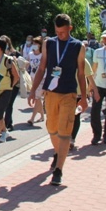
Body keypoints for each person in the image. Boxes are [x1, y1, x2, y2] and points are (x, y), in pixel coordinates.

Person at [29, 14, 87, 186]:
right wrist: (33, 91)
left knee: (64, 132)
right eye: (57, 32)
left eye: (63, 32)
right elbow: (41, 68)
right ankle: (58, 152)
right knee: (52, 129)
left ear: (70, 28)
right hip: (50, 93)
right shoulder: (49, 43)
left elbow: (82, 74)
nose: (60, 35)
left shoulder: (78, 46)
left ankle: (59, 170)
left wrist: (83, 97)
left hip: (69, 94)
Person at [26, 36, 45, 125]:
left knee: (37, 97)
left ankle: (32, 118)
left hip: (42, 78)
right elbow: (28, 66)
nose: (34, 45)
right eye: (33, 44)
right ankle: (42, 116)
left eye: (36, 44)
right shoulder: (30, 54)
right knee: (38, 98)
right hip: (32, 77)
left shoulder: (43, 55)